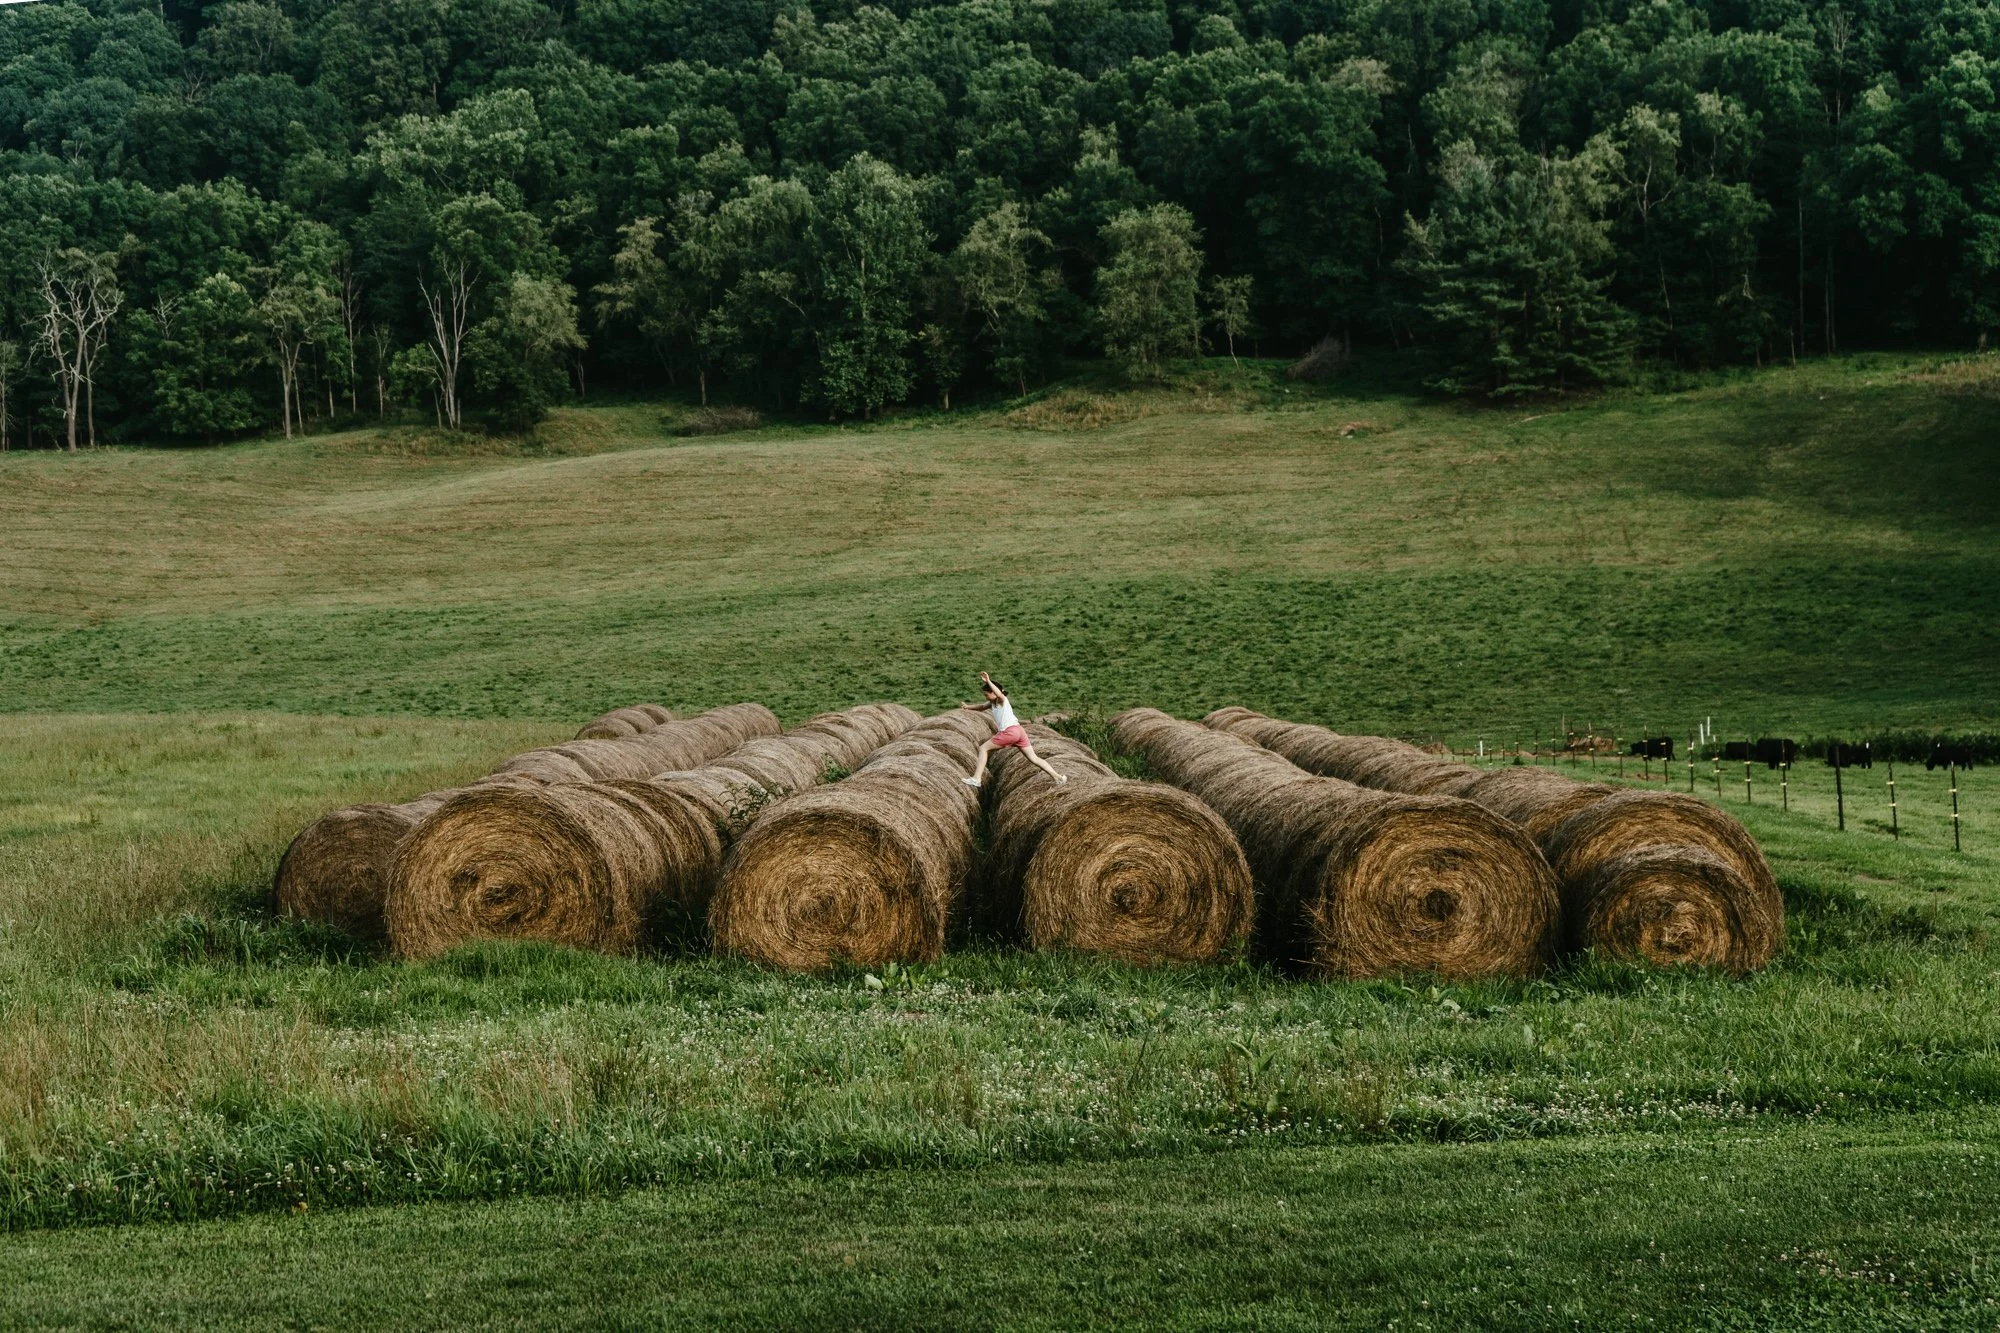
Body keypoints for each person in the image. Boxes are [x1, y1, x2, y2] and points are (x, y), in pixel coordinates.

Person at [960, 672, 1066, 788]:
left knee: (983, 748)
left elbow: (999, 694)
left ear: (994, 692)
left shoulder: (1001, 700)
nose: (985, 697)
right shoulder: (992, 703)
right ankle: (1058, 777)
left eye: (987, 695)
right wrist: (968, 707)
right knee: (1034, 758)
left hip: (1009, 732)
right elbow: (981, 707)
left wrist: (988, 681)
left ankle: (976, 779)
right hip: (1019, 731)